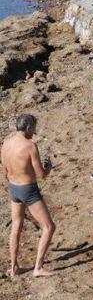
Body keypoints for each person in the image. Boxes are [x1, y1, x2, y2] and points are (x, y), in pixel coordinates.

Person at [2, 114, 56, 277]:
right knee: (49, 227)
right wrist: (48, 168)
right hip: (28, 190)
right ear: (28, 127)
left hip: (14, 188)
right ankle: (38, 268)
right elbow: (40, 175)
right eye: (34, 128)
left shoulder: (6, 143)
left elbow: (5, 171)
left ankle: (14, 267)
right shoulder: (30, 146)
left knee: (16, 226)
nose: (34, 131)